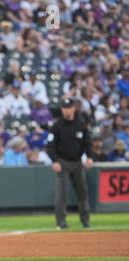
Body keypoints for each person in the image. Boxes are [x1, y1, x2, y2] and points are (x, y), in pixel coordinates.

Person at [47, 98, 93, 230]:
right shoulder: (57, 125)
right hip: (62, 162)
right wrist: (54, 160)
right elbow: (50, 146)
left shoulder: (80, 124)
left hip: (77, 162)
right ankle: (61, 222)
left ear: (73, 108)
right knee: (61, 194)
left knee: (82, 192)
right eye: (64, 108)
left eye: (68, 107)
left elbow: (87, 142)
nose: (66, 110)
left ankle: (86, 221)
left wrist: (89, 157)